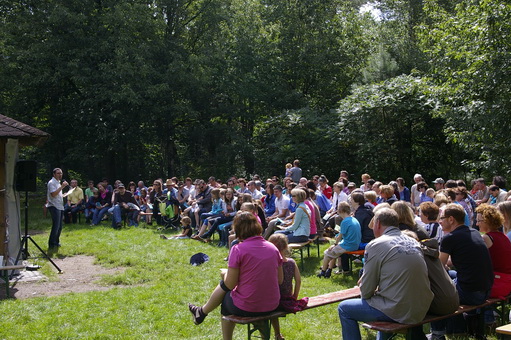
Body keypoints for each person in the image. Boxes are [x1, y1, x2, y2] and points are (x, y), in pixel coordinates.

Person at [338, 208, 433, 340]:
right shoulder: (413, 241)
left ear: (378, 224)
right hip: (421, 307)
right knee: (382, 301)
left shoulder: (376, 244)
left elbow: (366, 290)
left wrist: (369, 291)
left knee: (344, 308)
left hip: (400, 309)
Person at [188, 212, 283, 340]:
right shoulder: (273, 248)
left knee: (226, 296)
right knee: (246, 295)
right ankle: (201, 312)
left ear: (237, 229)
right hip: (272, 304)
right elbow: (279, 280)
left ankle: (205, 315)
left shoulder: (238, 249)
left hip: (250, 305)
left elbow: (230, 284)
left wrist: (225, 274)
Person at [429, 204, 493, 339]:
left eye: (442, 218)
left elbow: (438, 268)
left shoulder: (450, 238)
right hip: (486, 290)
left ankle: (437, 334)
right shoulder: (474, 232)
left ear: (451, 219)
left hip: (471, 293)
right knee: (452, 275)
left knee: (438, 295)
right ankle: (458, 330)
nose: (439, 221)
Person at [268, 233, 308, 340]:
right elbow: (298, 281)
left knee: (271, 311)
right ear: (286, 247)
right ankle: (277, 335)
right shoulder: (291, 262)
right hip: (288, 297)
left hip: (276, 299)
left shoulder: (272, 263)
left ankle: (277, 334)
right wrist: (294, 296)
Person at [476, 204, 511, 299]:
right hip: (506, 283)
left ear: (487, 221)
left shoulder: (486, 238)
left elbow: (474, 260)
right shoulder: (503, 236)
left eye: (479, 221)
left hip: (496, 285)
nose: (477, 224)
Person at [318, 202, 361, 278]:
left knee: (327, 253)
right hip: (355, 244)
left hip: (349, 245)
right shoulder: (354, 219)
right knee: (334, 252)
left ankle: (323, 272)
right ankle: (329, 271)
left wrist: (335, 244)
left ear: (341, 210)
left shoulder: (345, 221)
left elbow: (339, 237)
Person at [47, 168, 68, 249]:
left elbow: (57, 194)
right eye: (58, 173)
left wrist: (63, 195)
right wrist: (62, 187)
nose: (60, 175)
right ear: (54, 174)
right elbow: (53, 194)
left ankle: (56, 242)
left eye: (61, 173)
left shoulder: (58, 183)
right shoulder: (51, 183)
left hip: (60, 206)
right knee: (55, 226)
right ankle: (51, 244)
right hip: (54, 206)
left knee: (59, 226)